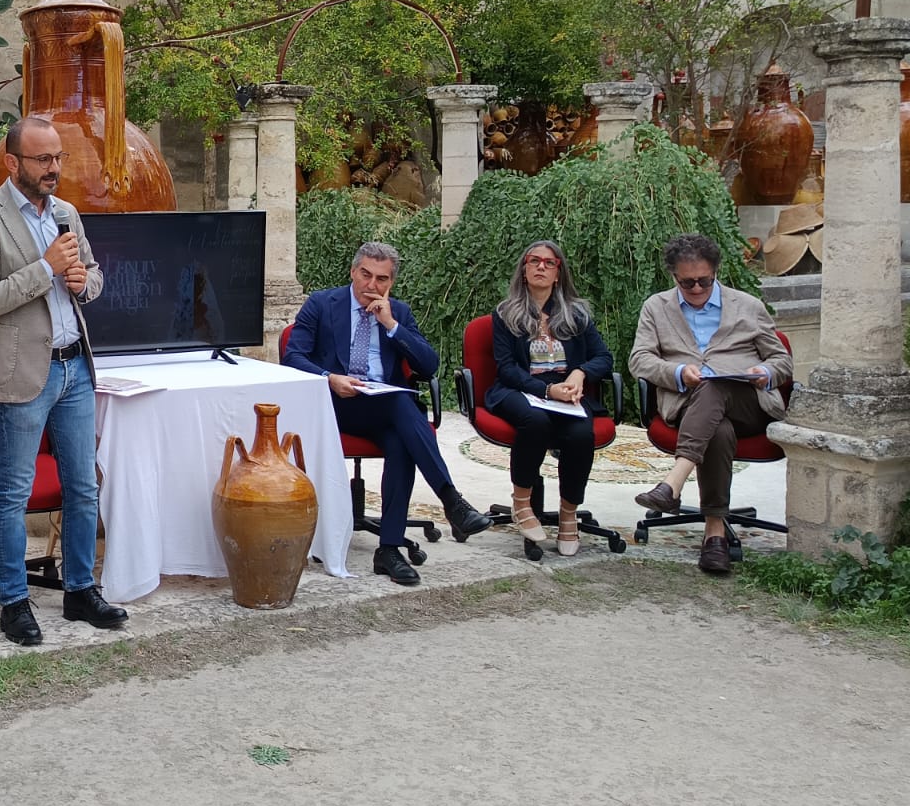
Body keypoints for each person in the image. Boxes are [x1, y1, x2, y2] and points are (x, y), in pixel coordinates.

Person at [0, 117, 127, 645]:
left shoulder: (66, 213)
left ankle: (79, 589)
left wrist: (82, 280)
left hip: (74, 366)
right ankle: (13, 602)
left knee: (82, 485)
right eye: (43, 160)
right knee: (13, 492)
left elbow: (94, 276)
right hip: (18, 374)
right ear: (13, 164)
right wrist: (47, 269)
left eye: (58, 158)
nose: (54, 169)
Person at [284, 241, 491, 585]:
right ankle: (451, 501)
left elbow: (429, 365)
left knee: (400, 437)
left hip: (382, 408)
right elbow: (293, 356)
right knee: (402, 409)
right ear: (353, 272)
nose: (371, 285)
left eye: (381, 279)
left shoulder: (398, 313)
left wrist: (392, 325)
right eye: (365, 275)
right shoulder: (322, 304)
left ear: (390, 283)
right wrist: (330, 378)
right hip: (335, 404)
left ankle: (389, 550)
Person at [629, 233, 791, 574]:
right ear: (674, 276)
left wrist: (763, 372)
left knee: (717, 387)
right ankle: (714, 534)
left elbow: (782, 360)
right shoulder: (657, 308)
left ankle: (671, 484)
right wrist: (675, 372)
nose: (698, 289)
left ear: (715, 272)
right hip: (689, 404)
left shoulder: (747, 306)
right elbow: (639, 360)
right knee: (716, 424)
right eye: (688, 283)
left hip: (749, 403)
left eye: (705, 280)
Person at [483, 240, 613, 556]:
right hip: (519, 391)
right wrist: (545, 391)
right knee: (535, 420)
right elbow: (507, 368)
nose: (541, 266)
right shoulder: (505, 313)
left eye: (549, 263)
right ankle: (522, 503)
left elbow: (603, 357)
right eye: (534, 261)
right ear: (524, 269)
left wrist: (580, 374)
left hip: (565, 393)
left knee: (582, 433)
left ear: (558, 273)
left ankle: (569, 514)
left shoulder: (577, 315)